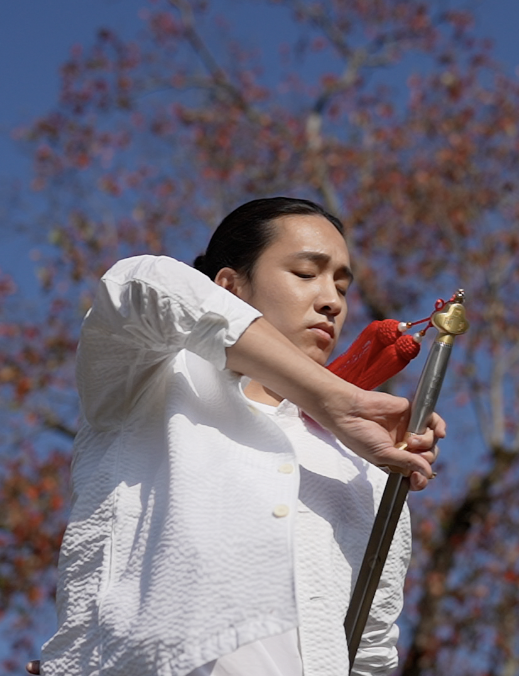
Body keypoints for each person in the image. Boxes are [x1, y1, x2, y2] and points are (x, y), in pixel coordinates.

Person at [37, 197, 445, 676]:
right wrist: (333, 398)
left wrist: (333, 413)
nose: (332, 300)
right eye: (305, 273)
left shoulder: (363, 467)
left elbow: (370, 652)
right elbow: (143, 284)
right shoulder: (150, 381)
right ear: (229, 286)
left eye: (341, 283)